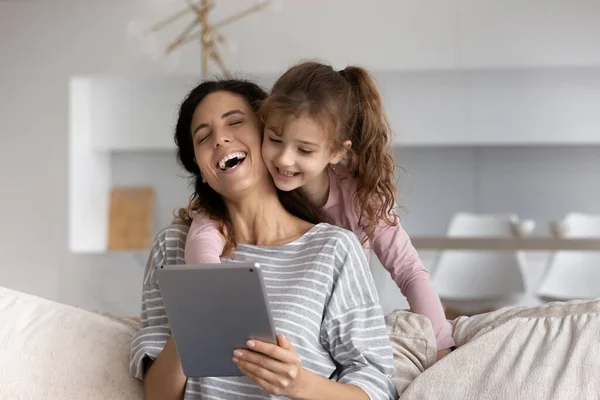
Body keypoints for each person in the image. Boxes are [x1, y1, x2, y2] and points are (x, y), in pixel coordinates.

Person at [130, 79, 398, 400]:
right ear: (201, 169)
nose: (220, 139)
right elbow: (157, 395)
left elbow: (379, 387)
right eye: (203, 137)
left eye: (236, 122)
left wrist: (297, 383)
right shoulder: (174, 245)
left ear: (270, 136)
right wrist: (193, 312)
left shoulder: (332, 249)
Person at [185, 61, 455, 356]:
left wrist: (442, 347)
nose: (284, 160)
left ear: (337, 152)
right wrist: (209, 309)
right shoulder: (259, 185)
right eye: (275, 140)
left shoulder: (360, 199)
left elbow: (409, 270)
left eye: (304, 150)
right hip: (290, 336)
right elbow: (205, 234)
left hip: (344, 334)